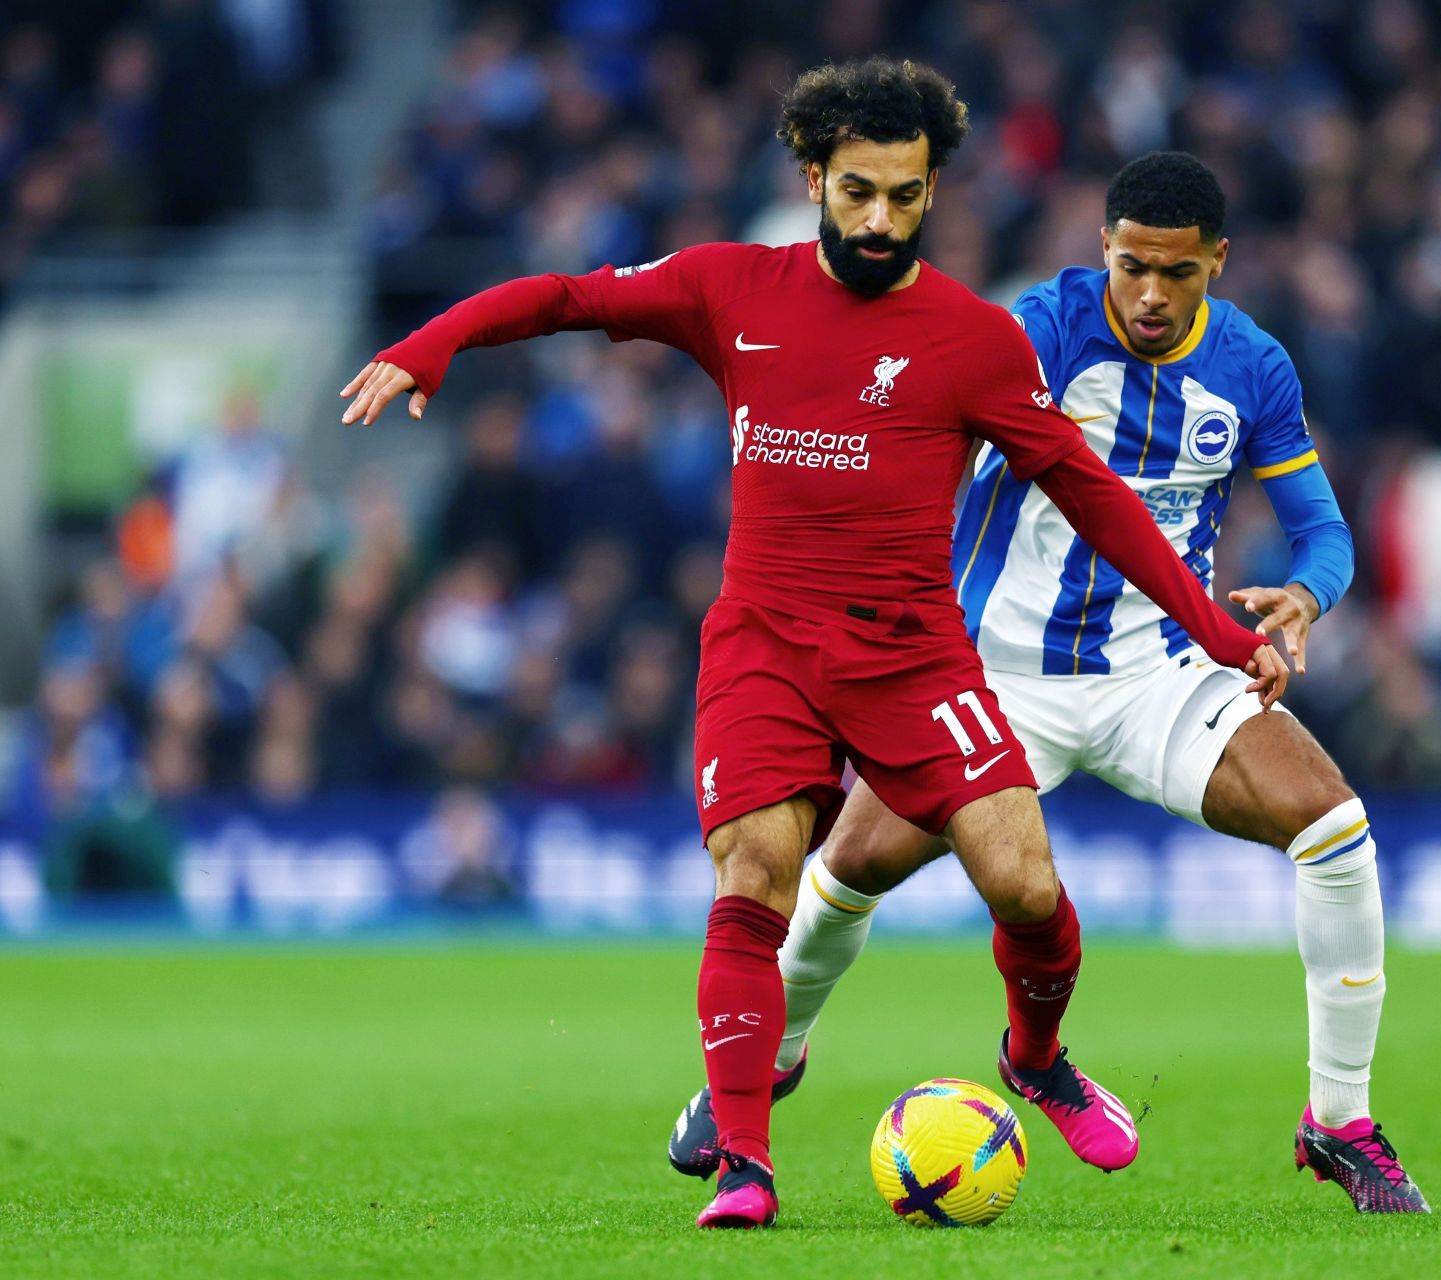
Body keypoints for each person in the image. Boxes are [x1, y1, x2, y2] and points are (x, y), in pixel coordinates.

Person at [340, 61, 1285, 1230]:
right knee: (755, 877)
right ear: (812, 182)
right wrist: (434, 343)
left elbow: (1090, 491)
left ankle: (1035, 1056)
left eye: (903, 194)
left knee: (1027, 884)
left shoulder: (976, 338)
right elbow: (569, 297)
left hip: (916, 655)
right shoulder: (727, 287)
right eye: (856, 193)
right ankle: (746, 1160)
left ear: (933, 190)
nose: (879, 219)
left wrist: (1211, 629)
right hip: (767, 644)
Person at [665, 152, 1429, 1214]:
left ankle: (1339, 1120)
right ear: (1101, 251)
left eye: (1177, 273)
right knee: (842, 874)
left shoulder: (1255, 366)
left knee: (1336, 826)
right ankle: (768, 1057)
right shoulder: (1041, 328)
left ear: (1218, 260)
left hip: (1155, 674)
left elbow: (1324, 530)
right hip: (990, 671)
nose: (1151, 295)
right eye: (1130, 267)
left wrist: (1308, 593)